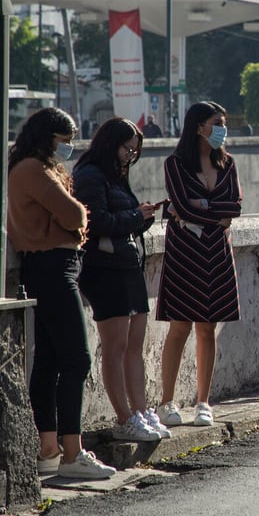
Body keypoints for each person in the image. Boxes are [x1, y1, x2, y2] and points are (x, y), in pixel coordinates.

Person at [8, 107, 117, 479]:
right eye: (64, 141)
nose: (69, 148)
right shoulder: (31, 170)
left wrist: (70, 221)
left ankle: (50, 448)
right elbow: (74, 216)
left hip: (55, 266)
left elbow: (67, 215)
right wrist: (76, 222)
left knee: (51, 361)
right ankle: (72, 453)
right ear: (47, 137)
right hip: (52, 268)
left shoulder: (37, 168)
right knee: (76, 359)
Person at [73, 118, 171, 442]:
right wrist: (134, 216)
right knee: (115, 348)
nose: (130, 156)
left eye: (134, 151)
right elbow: (97, 222)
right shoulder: (90, 175)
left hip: (128, 266)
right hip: (105, 270)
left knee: (134, 348)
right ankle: (124, 417)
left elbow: (123, 221)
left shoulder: (117, 176)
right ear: (110, 144)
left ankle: (141, 411)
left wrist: (142, 217)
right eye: (127, 148)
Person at [156, 101, 243, 427]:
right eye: (216, 123)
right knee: (180, 326)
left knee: (208, 328)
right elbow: (181, 205)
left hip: (216, 252)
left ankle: (203, 402)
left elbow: (234, 208)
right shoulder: (175, 164)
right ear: (198, 127)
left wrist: (198, 207)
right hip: (185, 253)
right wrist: (212, 212)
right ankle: (166, 401)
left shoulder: (228, 164)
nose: (222, 128)